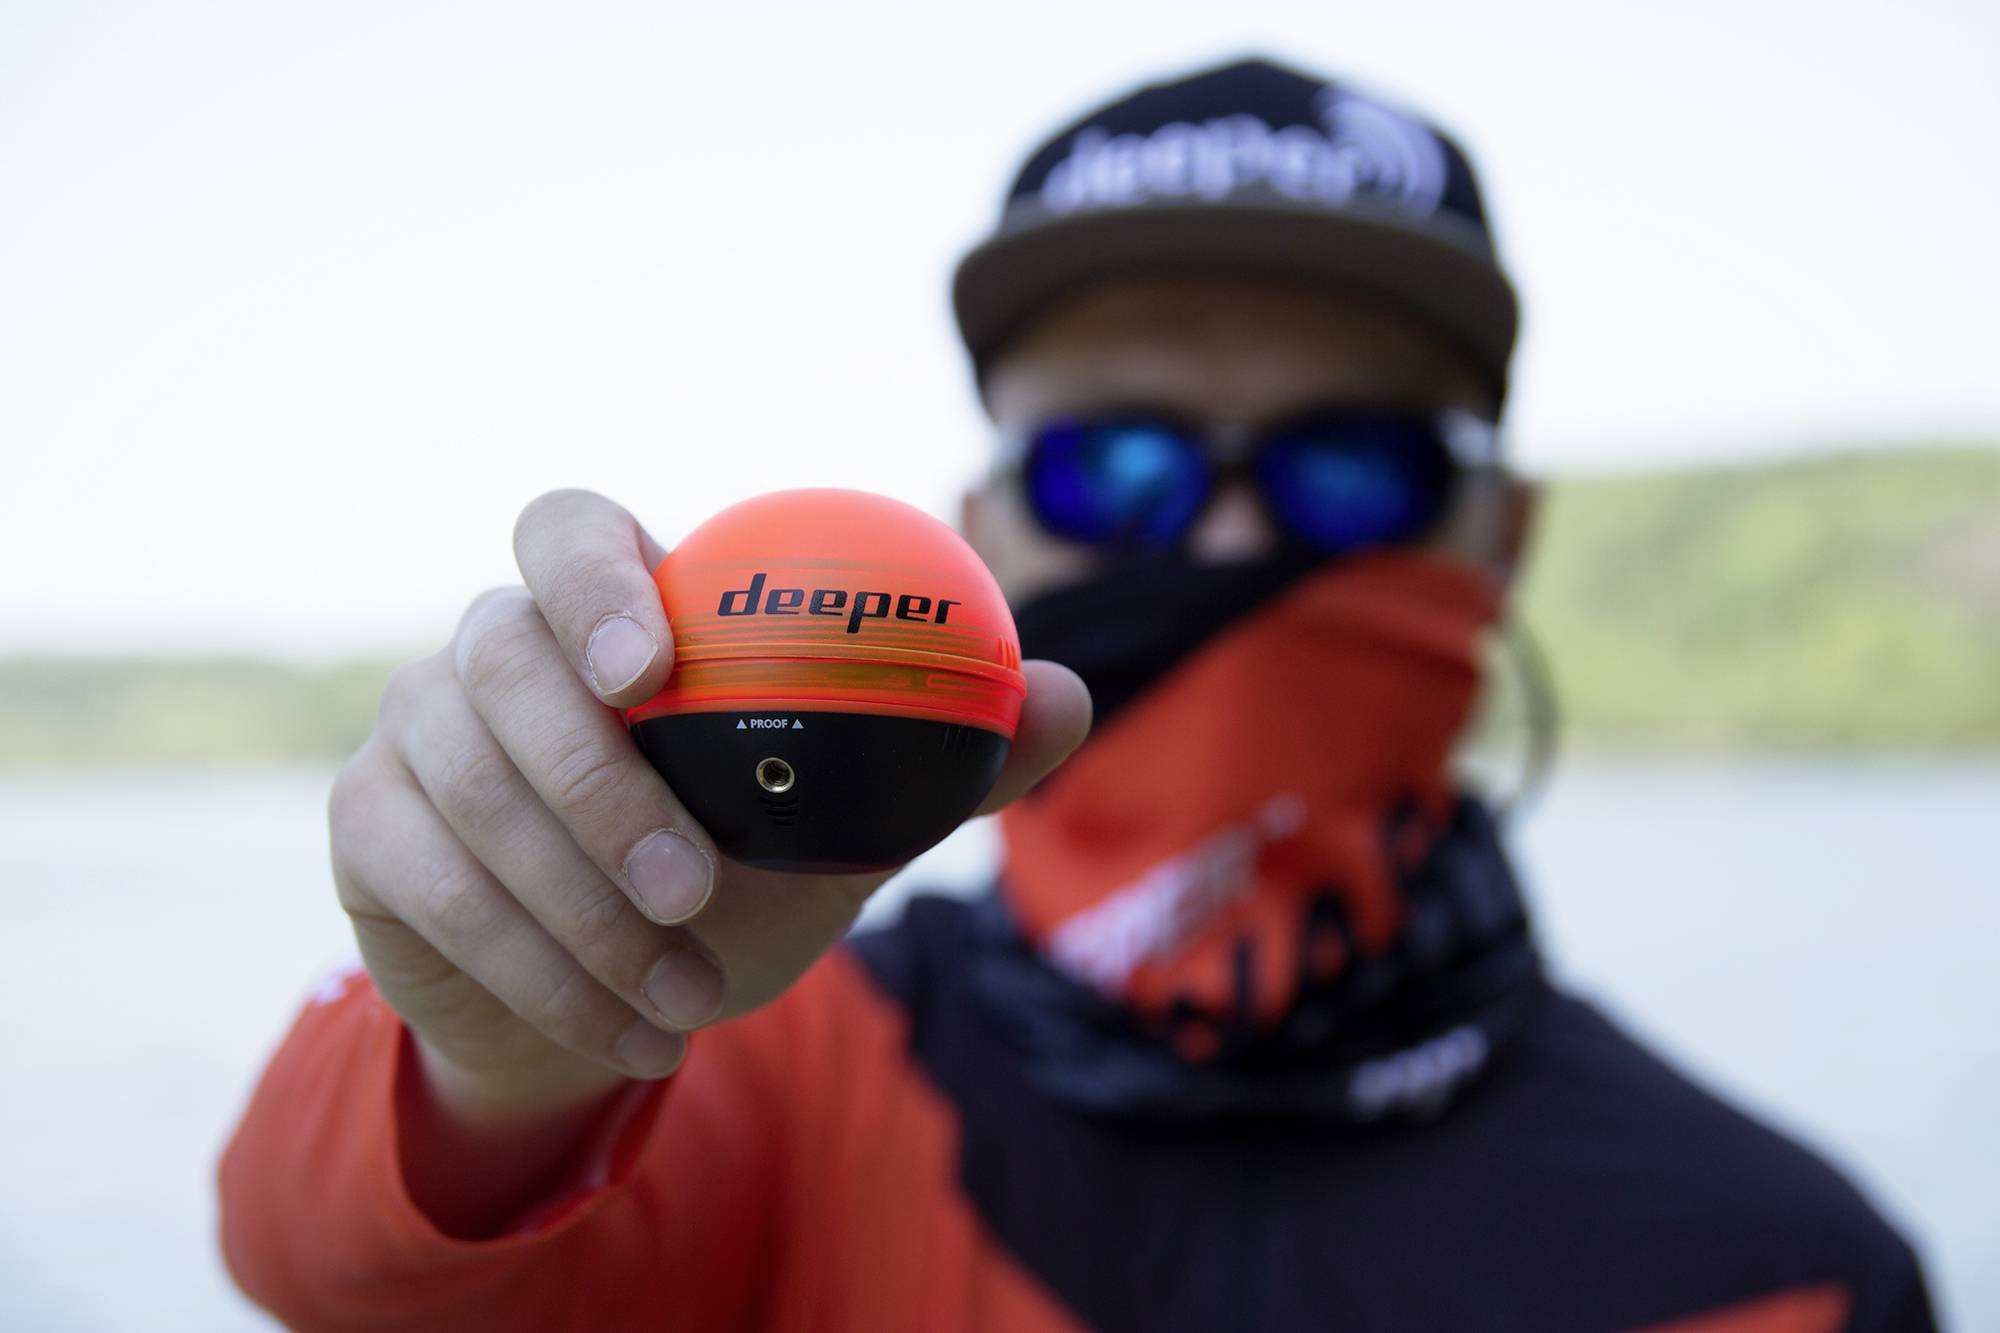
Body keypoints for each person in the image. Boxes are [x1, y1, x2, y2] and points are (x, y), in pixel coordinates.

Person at [218, 55, 1937, 1332]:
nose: (1241, 531)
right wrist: (511, 1043)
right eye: (1115, 468)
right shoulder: (747, 1075)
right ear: (980, 544)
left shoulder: (1782, 1268)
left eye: (1358, 467)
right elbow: (337, 1272)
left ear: (1501, 530)